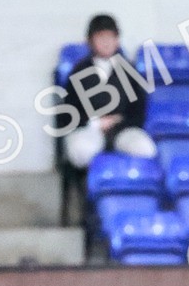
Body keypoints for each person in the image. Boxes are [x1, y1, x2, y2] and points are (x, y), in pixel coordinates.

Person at [60, 14, 158, 169]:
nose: (106, 43)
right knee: (80, 151)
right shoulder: (78, 71)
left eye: (110, 37)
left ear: (117, 40)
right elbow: (67, 113)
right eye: (100, 37)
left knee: (145, 149)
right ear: (90, 41)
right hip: (88, 129)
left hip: (123, 129)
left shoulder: (129, 70)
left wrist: (117, 122)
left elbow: (139, 111)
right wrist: (96, 123)